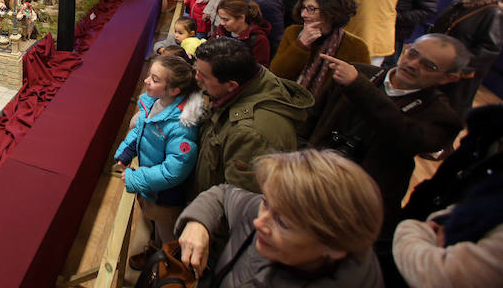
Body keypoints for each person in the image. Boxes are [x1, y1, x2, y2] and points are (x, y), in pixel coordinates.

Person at [298, 33, 465, 275]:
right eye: (413, 53)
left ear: (449, 77)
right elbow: (310, 120)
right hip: (308, 181)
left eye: (428, 65)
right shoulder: (357, 73)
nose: (412, 64)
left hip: (356, 209)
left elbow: (406, 135)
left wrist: (358, 87)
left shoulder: (442, 116)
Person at [176, 150, 384, 287]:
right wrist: (198, 222)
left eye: (283, 223)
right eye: (266, 202)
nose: (259, 223)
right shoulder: (276, 210)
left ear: (335, 247)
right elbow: (223, 195)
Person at [190, 38, 313, 196]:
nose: (197, 78)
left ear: (231, 85)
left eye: (204, 76)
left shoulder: (251, 134)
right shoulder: (250, 80)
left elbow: (238, 204)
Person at [115, 55, 202, 269]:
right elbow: (141, 127)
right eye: (149, 76)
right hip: (151, 185)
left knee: (167, 235)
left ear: (174, 90)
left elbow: (173, 171)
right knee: (152, 223)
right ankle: (154, 250)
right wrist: (126, 150)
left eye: (154, 79)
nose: (146, 81)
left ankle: (168, 269)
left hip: (166, 196)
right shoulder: (155, 101)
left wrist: (136, 178)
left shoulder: (182, 126)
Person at [393, 174, 503, 288]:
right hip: (420, 221)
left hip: (413, 251)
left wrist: (409, 229)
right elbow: (456, 208)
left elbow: (442, 276)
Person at [271, 0, 370, 99]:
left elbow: (363, 90)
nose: (304, 14)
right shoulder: (293, 33)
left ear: (331, 12)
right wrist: (301, 45)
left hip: (329, 112)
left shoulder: (355, 46)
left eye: (311, 9)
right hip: (289, 103)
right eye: (303, 8)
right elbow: (277, 74)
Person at [429, 0, 503, 117]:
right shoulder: (461, 3)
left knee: (446, 112)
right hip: (438, 65)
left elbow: (488, 50)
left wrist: (457, 68)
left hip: (458, 75)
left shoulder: (493, 12)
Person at [211, 0, 271, 66]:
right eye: (221, 19)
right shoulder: (221, 31)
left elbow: (259, 69)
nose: (222, 23)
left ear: (242, 18)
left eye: (226, 20)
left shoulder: (258, 40)